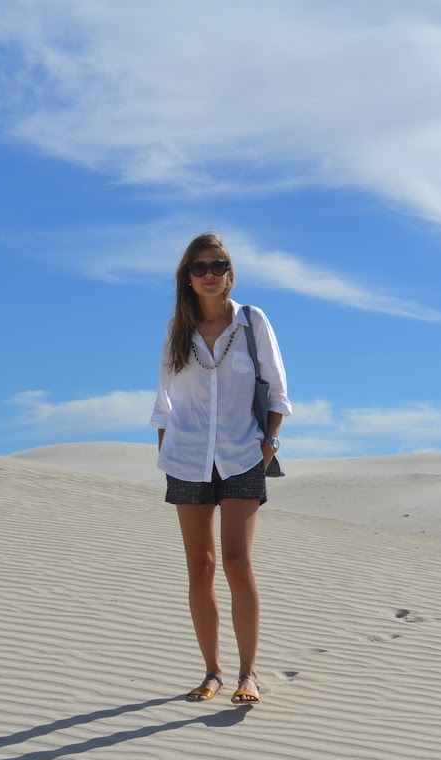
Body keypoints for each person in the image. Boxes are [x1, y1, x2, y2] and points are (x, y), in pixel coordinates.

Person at [150, 232, 291, 706]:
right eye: (200, 267)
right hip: (188, 459)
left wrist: (269, 442)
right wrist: (165, 448)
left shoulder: (252, 321)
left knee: (236, 562)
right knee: (199, 566)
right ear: (187, 278)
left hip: (243, 454)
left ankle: (247, 674)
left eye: (218, 265)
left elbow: (276, 388)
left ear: (230, 274)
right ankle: (212, 671)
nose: (209, 274)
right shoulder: (177, 329)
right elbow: (164, 400)